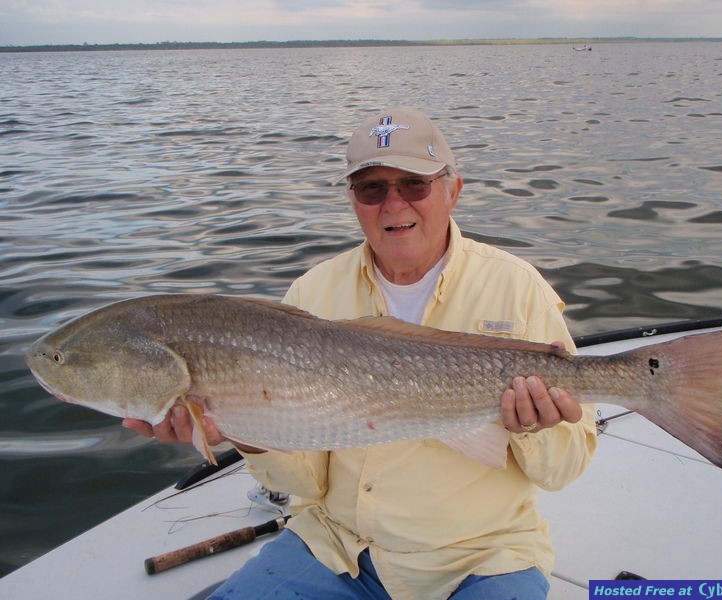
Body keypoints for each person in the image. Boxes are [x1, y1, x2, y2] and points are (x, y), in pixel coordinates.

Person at [124, 107, 597, 600]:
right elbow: (308, 484)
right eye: (372, 188)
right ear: (353, 200)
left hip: (483, 557)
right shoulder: (311, 294)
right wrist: (248, 433)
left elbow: (560, 472)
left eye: (414, 184)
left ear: (452, 191)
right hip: (337, 549)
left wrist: (533, 430)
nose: (393, 204)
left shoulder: (517, 287)